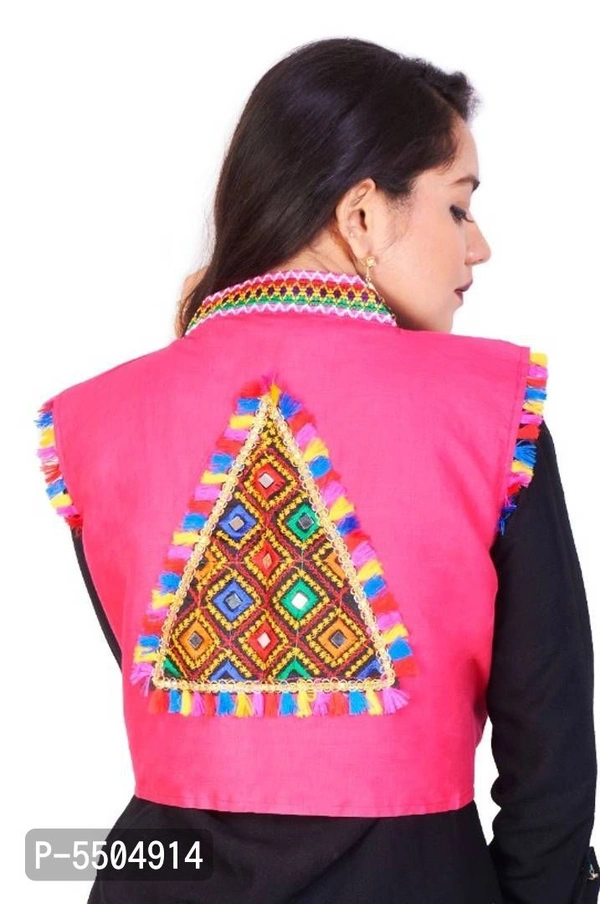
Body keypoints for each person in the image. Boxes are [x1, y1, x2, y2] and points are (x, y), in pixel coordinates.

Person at [35, 37, 598, 904]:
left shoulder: (95, 422)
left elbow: (183, 699)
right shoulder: (492, 414)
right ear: (362, 215)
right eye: (458, 207)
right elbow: (549, 752)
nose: (478, 246)